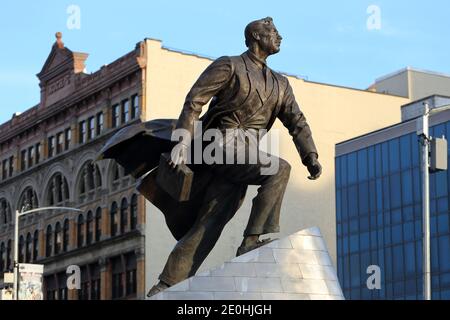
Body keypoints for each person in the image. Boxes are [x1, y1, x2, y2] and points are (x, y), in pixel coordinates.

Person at [147, 17, 321, 297]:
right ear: (255, 36)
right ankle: (251, 241)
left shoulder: (281, 84)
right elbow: (194, 102)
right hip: (219, 143)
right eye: (273, 32)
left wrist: (309, 154)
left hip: (244, 153)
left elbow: (296, 121)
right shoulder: (229, 65)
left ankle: (166, 286)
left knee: (211, 221)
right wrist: (181, 145)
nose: (280, 37)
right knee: (278, 169)